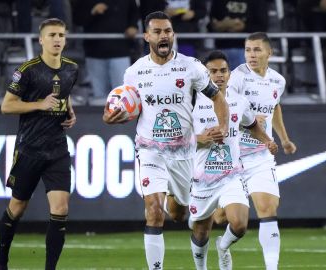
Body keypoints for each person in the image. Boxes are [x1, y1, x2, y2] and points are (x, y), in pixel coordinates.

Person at [103, 11, 229, 270]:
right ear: (147, 36)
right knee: (154, 210)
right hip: (150, 150)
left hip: (184, 152)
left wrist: (223, 125)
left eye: (168, 31)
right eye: (158, 32)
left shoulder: (190, 67)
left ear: (173, 35)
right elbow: (126, 108)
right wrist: (111, 117)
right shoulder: (134, 73)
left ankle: (176, 198)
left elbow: (217, 97)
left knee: (178, 214)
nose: (164, 36)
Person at [0, 18, 78, 270]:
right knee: (17, 207)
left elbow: (65, 93)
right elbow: (6, 106)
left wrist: (70, 112)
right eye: (52, 35)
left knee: (61, 208)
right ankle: (1, 260)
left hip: (57, 149)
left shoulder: (71, 68)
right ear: (41, 39)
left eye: (61, 35)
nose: (57, 39)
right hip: (29, 148)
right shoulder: (28, 69)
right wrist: (39, 104)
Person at [214, 32, 297, 270]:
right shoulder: (237, 77)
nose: (251, 54)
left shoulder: (277, 81)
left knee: (267, 209)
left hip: (260, 157)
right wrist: (248, 118)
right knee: (223, 218)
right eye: (248, 50)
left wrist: (284, 138)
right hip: (232, 158)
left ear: (269, 53)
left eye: (257, 50)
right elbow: (224, 107)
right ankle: (223, 246)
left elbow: (275, 107)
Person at [189, 50, 278, 270]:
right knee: (201, 232)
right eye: (213, 71)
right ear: (205, 74)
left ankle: (223, 247)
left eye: (223, 71)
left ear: (229, 73)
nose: (219, 76)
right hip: (201, 176)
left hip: (231, 175)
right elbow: (179, 139)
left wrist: (267, 140)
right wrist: (202, 138)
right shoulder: (190, 102)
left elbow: (251, 125)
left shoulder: (239, 101)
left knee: (239, 224)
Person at [79, 0, 139, 105]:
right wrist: (92, 12)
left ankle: (122, 120)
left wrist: (133, 26)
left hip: (120, 50)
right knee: (99, 97)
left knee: (122, 95)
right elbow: (77, 19)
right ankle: (97, 121)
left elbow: (134, 12)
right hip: (94, 51)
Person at [209, 0, 268, 69]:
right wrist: (220, 26)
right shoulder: (218, 2)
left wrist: (243, 26)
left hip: (247, 49)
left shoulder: (258, 2)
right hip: (221, 48)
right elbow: (210, 24)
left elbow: (262, 27)